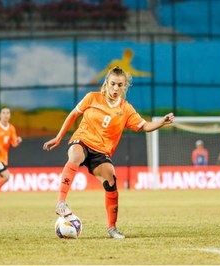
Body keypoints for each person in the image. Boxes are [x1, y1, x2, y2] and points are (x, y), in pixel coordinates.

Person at [43, 66, 174, 239]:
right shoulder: (92, 97)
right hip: (83, 140)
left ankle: (112, 228)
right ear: (106, 83)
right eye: (112, 84)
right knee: (75, 155)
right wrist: (59, 138)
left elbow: (145, 126)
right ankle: (61, 202)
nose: (115, 88)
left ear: (125, 86)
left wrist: (161, 122)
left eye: (120, 85)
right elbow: (73, 115)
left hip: (101, 151)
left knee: (111, 179)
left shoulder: (126, 109)